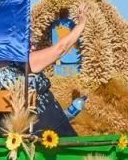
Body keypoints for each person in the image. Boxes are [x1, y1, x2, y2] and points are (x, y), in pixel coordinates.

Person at [24, 7, 88, 136]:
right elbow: (60, 48)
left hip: (40, 127)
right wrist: (81, 25)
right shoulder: (24, 62)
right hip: (49, 130)